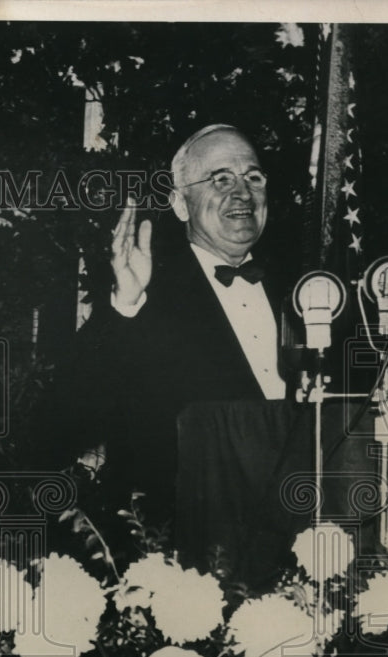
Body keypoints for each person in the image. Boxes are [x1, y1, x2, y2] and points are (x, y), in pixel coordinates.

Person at [71, 124, 295, 544]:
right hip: (185, 543)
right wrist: (124, 306)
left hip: (297, 533)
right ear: (179, 204)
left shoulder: (305, 290)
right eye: (220, 179)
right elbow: (76, 405)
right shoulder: (146, 293)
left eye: (254, 177)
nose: (242, 193)